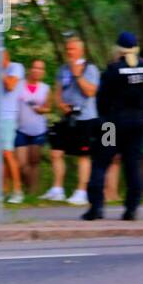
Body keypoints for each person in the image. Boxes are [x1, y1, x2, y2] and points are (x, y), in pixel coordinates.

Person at [84, 32, 143, 221]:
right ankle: (131, 209)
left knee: (100, 163)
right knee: (132, 166)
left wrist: (103, 119)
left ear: (118, 49)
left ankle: (96, 208)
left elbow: (102, 99)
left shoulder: (113, 70)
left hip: (111, 125)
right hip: (137, 124)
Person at [43, 36, 99, 205]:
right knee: (56, 152)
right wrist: (61, 104)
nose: (69, 52)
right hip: (67, 117)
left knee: (83, 155)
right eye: (67, 49)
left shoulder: (90, 69)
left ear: (80, 50)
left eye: (72, 49)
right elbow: (58, 90)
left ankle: (81, 191)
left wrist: (78, 75)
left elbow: (91, 92)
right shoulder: (63, 69)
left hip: (85, 118)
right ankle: (57, 189)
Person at [14, 58, 51, 196]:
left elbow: (48, 108)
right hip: (21, 129)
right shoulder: (19, 85)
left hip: (38, 130)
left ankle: (33, 193)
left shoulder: (45, 88)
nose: (37, 71)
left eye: (41, 68)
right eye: (35, 67)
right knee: (22, 164)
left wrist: (42, 110)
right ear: (30, 69)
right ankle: (25, 187)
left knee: (35, 162)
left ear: (43, 72)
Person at [0, 50, 25, 203]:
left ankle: (17, 190)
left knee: (8, 154)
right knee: (1, 156)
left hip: (8, 116)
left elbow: (10, 85)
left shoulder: (15, 67)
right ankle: (4, 189)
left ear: (6, 56)